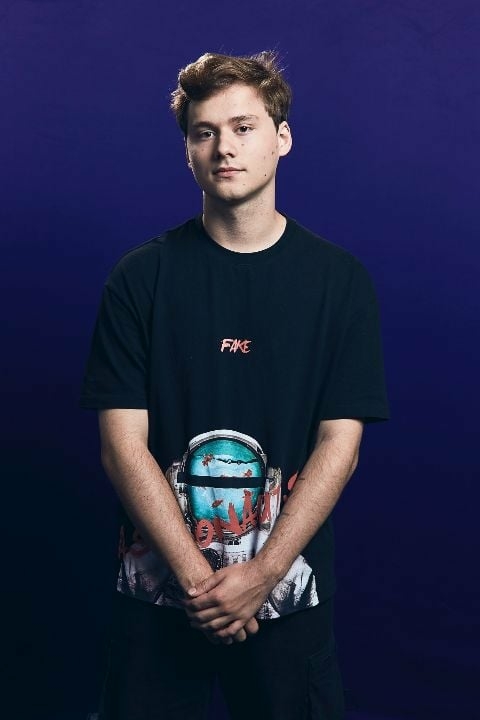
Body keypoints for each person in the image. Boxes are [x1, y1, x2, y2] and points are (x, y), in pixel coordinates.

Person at [81, 51, 389, 720]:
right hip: (159, 600)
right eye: (205, 132)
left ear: (282, 138)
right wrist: (202, 584)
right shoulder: (140, 279)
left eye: (244, 127)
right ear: (188, 152)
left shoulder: (339, 283)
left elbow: (340, 445)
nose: (224, 147)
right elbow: (121, 447)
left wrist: (263, 575)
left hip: (286, 599)